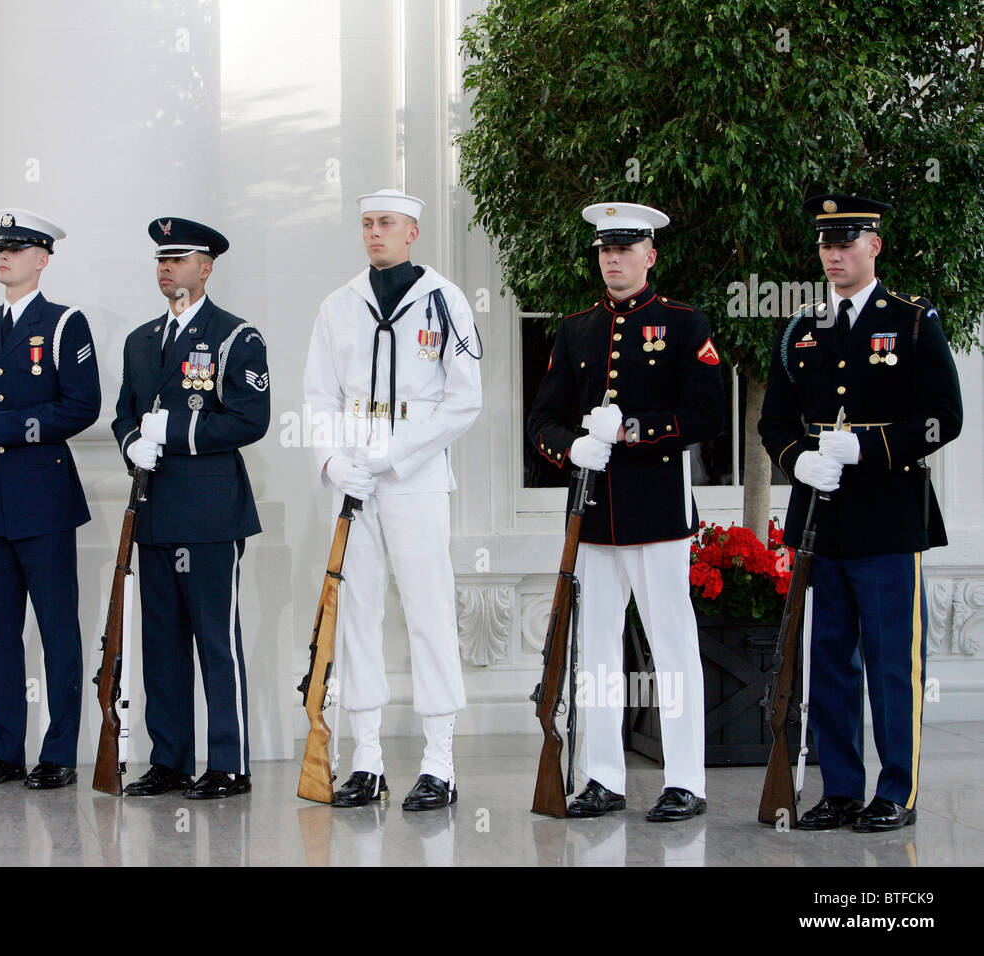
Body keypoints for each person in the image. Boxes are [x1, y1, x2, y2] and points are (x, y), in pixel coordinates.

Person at [759, 194, 962, 832]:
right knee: (831, 663)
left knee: (892, 663)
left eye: (846, 242)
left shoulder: (912, 321)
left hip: (888, 518)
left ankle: (895, 791)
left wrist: (868, 446)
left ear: (874, 246)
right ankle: (842, 789)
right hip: (823, 521)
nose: (834, 254)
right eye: (826, 243)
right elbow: (774, 421)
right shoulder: (801, 327)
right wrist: (797, 460)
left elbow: (943, 417)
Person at [526, 202, 723, 821]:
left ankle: (685, 779)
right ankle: (603, 777)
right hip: (592, 517)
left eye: (624, 248)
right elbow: (542, 420)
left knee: (672, 644)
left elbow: (706, 414)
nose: (612, 259)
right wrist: (570, 445)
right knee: (599, 652)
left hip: (658, 513)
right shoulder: (576, 328)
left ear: (649, 255)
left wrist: (634, 429)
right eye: (605, 250)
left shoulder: (685, 325)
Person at [303, 188, 482, 811]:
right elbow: (319, 397)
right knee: (356, 616)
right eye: (367, 224)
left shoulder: (444, 300)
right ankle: (367, 759)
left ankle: (439, 760)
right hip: (354, 483)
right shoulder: (337, 305)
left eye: (386, 223)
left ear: (411, 230)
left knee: (428, 612)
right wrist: (331, 460)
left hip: (416, 479)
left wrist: (397, 451)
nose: (374, 233)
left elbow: (463, 399)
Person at [113, 218, 269, 799]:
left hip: (208, 514)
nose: (167, 268)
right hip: (154, 510)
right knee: (162, 642)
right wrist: (132, 442)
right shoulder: (140, 339)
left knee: (215, 639)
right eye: (161, 259)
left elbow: (251, 419)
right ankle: (171, 759)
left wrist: (175, 429)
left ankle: (229, 762)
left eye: (179, 259)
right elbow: (124, 412)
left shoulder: (234, 336)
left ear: (206, 268)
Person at [0, 208, 100, 789]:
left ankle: (59, 751)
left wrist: (7, 428)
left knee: (59, 629)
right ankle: (5, 749)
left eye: (16, 250)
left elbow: (80, 406)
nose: (4, 257)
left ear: (42, 259)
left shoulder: (65, 324)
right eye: (0, 249)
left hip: (43, 499)